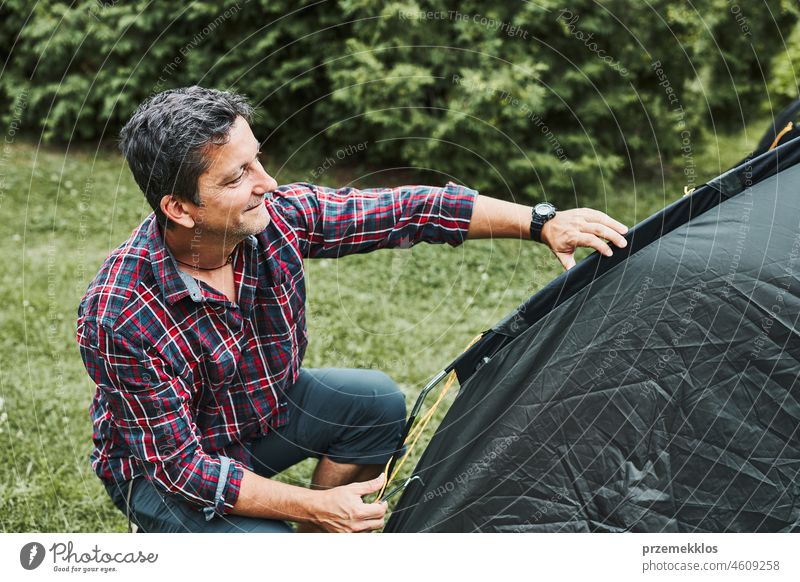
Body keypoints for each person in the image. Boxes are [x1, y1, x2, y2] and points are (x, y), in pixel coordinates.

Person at [76, 86, 628, 533]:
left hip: (259, 416)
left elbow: (409, 210)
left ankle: (323, 542)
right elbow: (182, 468)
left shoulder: (279, 218)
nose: (267, 184)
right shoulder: (121, 313)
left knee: (374, 403)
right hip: (163, 474)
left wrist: (541, 221)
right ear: (179, 208)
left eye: (257, 160)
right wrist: (312, 505)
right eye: (236, 177)